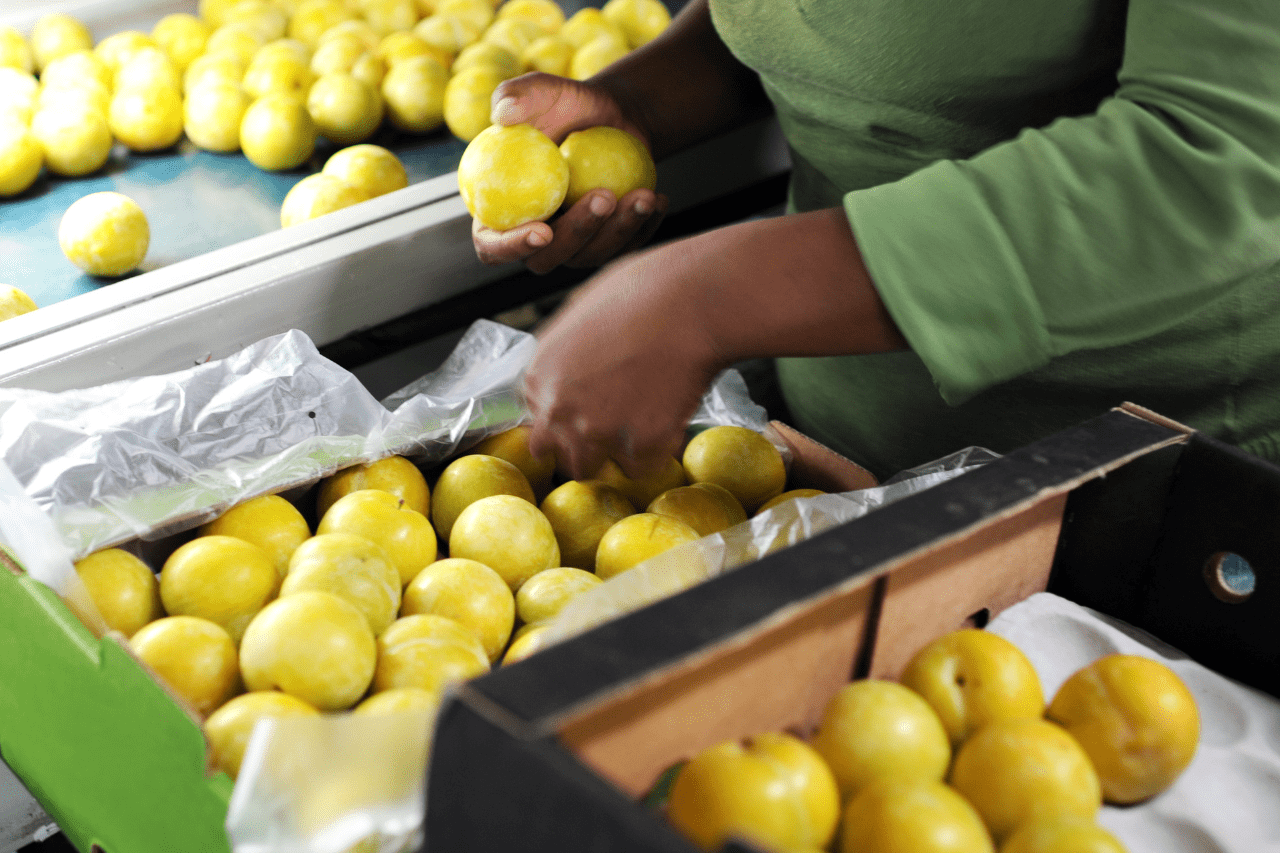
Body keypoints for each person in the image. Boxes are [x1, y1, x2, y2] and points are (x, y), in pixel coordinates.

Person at [470, 0, 1280, 483]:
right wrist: (640, 108)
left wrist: (714, 297)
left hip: (1156, 488)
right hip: (834, 459)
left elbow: (1215, 160)